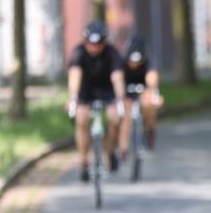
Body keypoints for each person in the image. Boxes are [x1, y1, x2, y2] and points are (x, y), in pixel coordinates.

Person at [66, 20, 125, 181]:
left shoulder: (112, 53)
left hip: (107, 91)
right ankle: (84, 161)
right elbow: (75, 75)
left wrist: (120, 99)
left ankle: (110, 151)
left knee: (114, 118)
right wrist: (73, 98)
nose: (94, 47)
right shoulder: (79, 53)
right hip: (86, 91)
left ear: (104, 42)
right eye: (90, 43)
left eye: (98, 43)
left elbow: (117, 77)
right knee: (82, 119)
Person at [119, 35, 163, 154]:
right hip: (127, 88)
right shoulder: (122, 61)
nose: (135, 64)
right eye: (132, 61)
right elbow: (118, 79)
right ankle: (124, 148)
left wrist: (153, 93)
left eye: (138, 61)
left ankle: (150, 129)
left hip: (144, 87)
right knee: (126, 113)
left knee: (148, 104)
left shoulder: (149, 60)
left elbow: (152, 77)